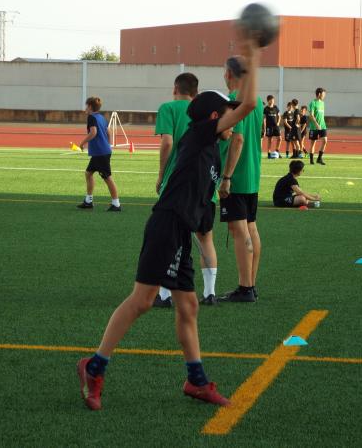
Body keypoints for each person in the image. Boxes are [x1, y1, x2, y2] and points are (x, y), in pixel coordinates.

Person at [76, 37, 261, 411]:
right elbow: (249, 105)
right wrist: (253, 59)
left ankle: (196, 382)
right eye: (225, 114)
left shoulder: (210, 147)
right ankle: (93, 367)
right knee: (142, 300)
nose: (231, 119)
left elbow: (239, 124)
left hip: (181, 231)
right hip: (167, 225)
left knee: (188, 306)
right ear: (214, 119)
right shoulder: (201, 135)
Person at [153, 72, 220, 308]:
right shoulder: (204, 112)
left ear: (175, 88)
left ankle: (164, 294)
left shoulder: (168, 108)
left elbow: (168, 142)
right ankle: (210, 292)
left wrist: (161, 174)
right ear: (196, 92)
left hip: (178, 184)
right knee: (206, 238)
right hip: (206, 184)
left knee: (170, 238)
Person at [218, 56, 264, 303]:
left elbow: (237, 139)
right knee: (251, 228)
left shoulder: (235, 102)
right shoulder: (255, 102)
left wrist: (226, 177)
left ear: (229, 74)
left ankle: (245, 287)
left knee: (239, 230)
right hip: (252, 173)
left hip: (237, 175)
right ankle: (251, 284)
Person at [77, 97, 121, 211]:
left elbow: (93, 132)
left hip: (100, 153)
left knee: (107, 177)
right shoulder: (101, 117)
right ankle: (88, 201)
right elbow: (108, 132)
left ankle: (116, 204)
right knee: (88, 173)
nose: (85, 108)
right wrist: (108, 145)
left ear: (90, 107)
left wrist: (82, 143)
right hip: (101, 152)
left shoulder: (91, 117)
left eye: (86, 106)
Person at [307, 87, 328, 165]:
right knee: (313, 143)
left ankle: (319, 158)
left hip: (323, 126)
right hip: (314, 127)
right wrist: (316, 124)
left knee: (325, 141)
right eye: (323, 94)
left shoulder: (322, 103)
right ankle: (311, 160)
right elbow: (311, 115)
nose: (324, 95)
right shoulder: (313, 103)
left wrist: (321, 124)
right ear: (319, 94)